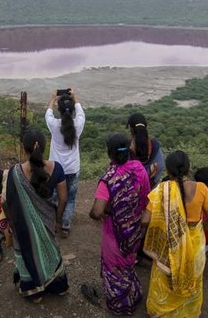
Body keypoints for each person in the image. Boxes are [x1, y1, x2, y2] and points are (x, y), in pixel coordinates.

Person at [81, 133, 151, 316]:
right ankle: (133, 293)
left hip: (115, 233)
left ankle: (119, 306)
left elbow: (97, 212)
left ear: (110, 153)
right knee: (127, 263)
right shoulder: (139, 169)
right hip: (134, 229)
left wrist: (103, 212)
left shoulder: (109, 177)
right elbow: (146, 199)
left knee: (115, 267)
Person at [142, 150, 208, 318]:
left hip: (169, 241)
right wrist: (196, 228)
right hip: (196, 242)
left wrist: (164, 223)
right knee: (192, 275)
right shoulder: (202, 188)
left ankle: (163, 311)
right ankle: (187, 312)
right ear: (188, 168)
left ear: (168, 170)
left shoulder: (162, 190)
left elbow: (145, 221)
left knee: (165, 275)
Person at [2, 128, 69, 303]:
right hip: (48, 220)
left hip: (23, 225)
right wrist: (58, 220)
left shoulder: (14, 173)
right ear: (44, 148)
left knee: (27, 251)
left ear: (24, 149)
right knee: (50, 251)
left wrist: (11, 223)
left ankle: (34, 291)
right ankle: (58, 286)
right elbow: (63, 199)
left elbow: (7, 202)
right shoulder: (57, 169)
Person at [45, 88, 85, 238]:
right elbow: (80, 111)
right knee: (71, 198)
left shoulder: (54, 125)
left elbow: (48, 112)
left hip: (56, 169)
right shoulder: (78, 125)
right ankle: (65, 226)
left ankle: (54, 221)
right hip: (73, 168)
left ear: (59, 110)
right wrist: (74, 96)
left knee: (55, 196)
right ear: (73, 110)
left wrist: (53, 98)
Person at [126, 113, 165, 187]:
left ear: (131, 129)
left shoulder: (126, 147)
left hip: (130, 192)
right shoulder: (154, 145)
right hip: (151, 191)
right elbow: (161, 165)